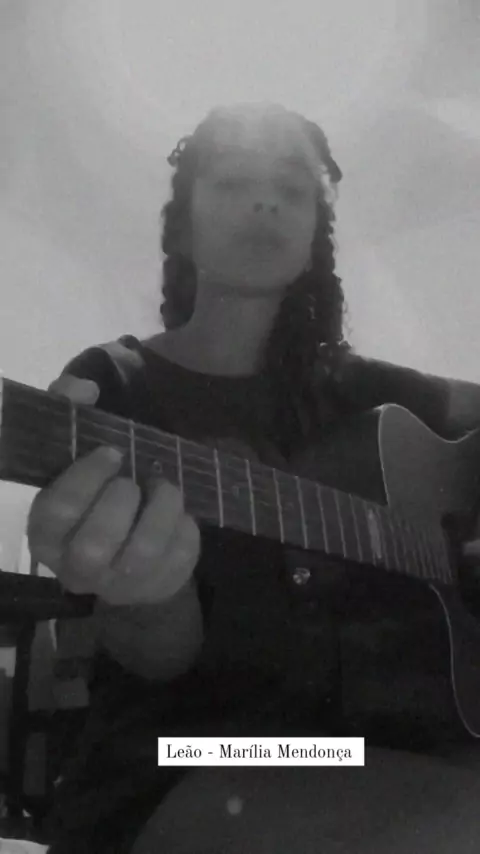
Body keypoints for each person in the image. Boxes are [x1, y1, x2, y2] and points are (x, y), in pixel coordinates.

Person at [27, 102, 480, 854]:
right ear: (183, 225)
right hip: (190, 755)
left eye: (292, 189)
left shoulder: (374, 395)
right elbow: (153, 658)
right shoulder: (117, 383)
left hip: (385, 742)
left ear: (314, 233)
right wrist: (145, 595)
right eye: (233, 182)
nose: (265, 201)